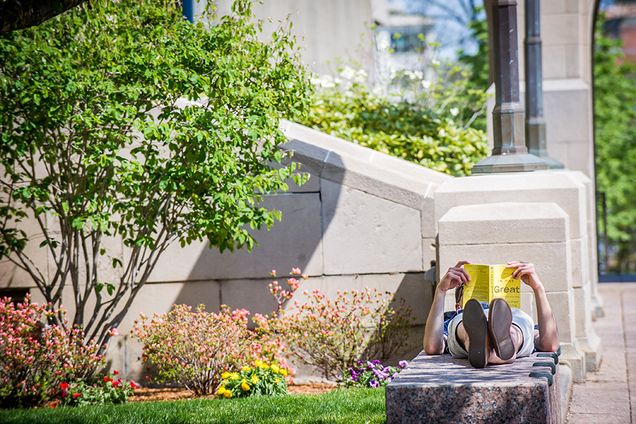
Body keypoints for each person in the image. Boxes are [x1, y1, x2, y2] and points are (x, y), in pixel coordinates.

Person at [423, 261, 559, 368]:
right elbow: (550, 345)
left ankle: (483, 344)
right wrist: (441, 289)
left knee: (466, 330)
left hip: (507, 318)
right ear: (458, 305)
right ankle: (499, 340)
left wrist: (538, 287)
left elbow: (551, 345)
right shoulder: (455, 316)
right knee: (513, 332)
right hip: (490, 319)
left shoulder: (512, 314)